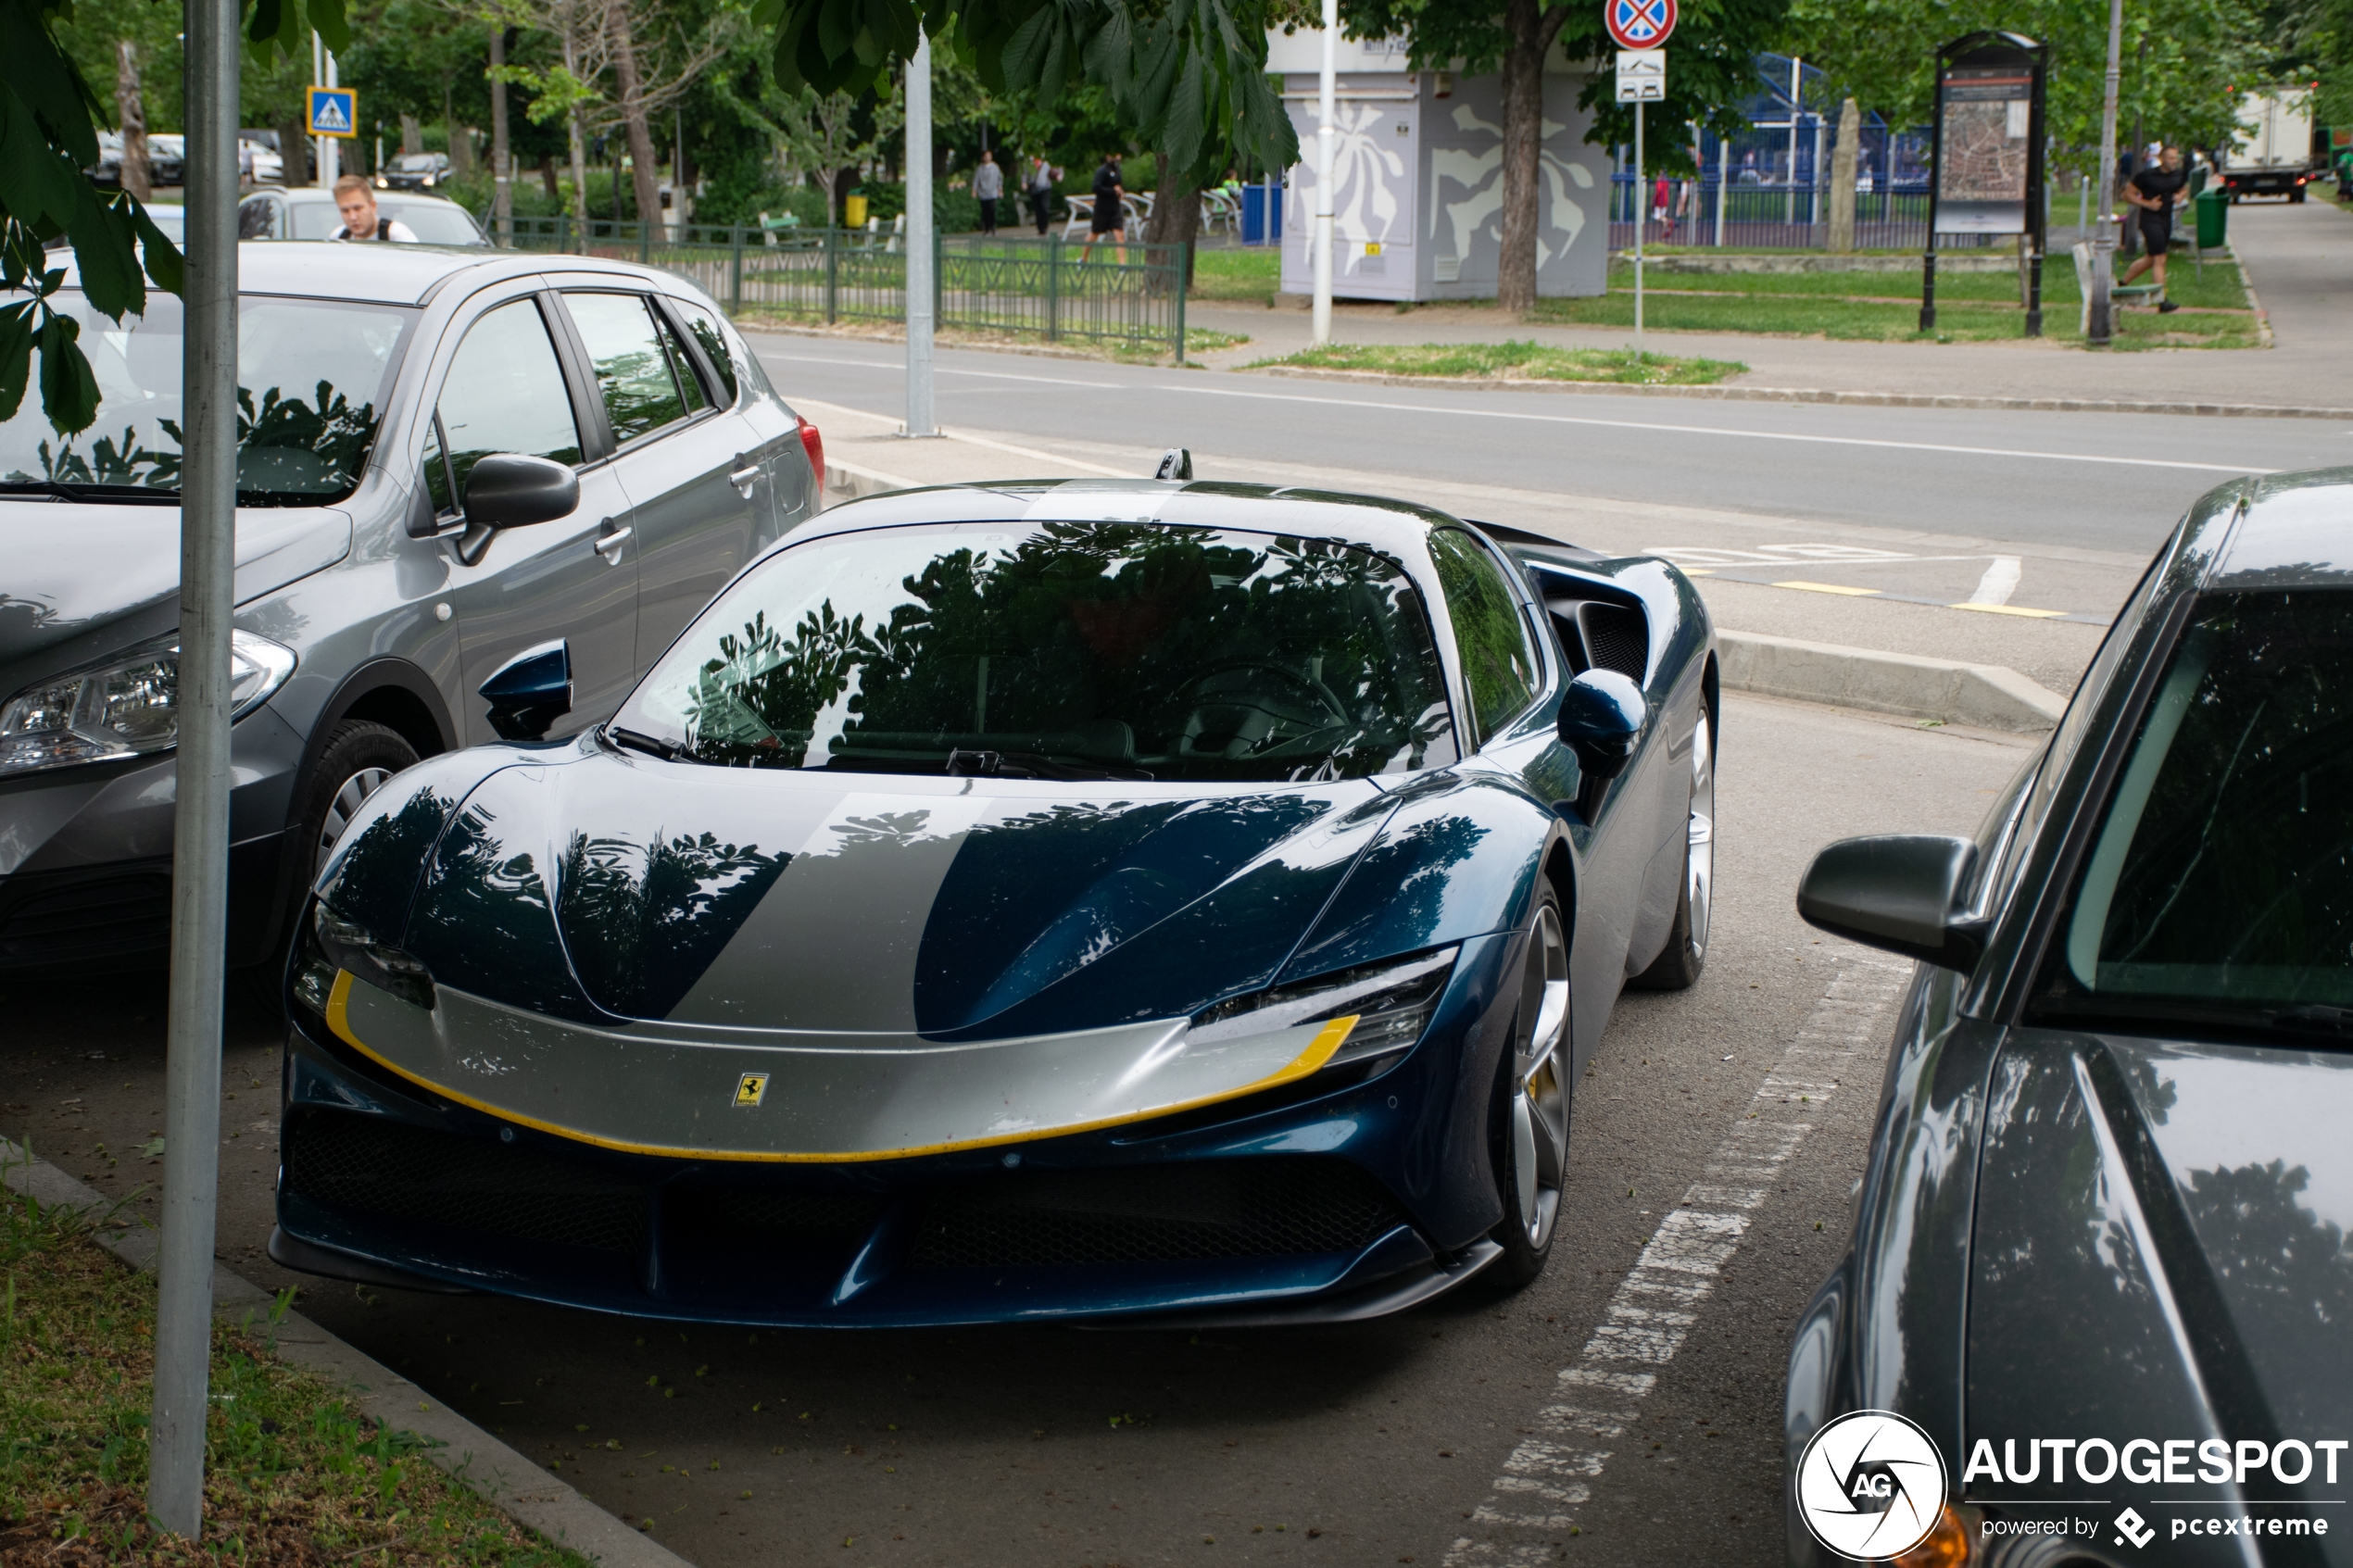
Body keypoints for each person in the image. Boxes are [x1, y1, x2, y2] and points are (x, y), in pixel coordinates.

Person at [2119, 144, 2189, 313]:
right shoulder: (2147, 176)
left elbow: (2183, 188)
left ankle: (2121, 284)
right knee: (2160, 259)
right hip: (2150, 220)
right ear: (2162, 158)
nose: (2174, 161)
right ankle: (2162, 301)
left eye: (2176, 158)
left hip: (2166, 218)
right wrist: (2147, 204)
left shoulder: (2178, 175)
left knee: (2151, 258)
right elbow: (2127, 194)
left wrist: (2180, 195)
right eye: (2171, 158)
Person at [327, 175, 418, 242]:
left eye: (357, 208)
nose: (352, 217)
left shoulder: (396, 235)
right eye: (345, 211)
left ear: (373, 206)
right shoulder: (338, 237)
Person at [1082, 150, 1126, 263]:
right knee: (1094, 234)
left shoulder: (1117, 170)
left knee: (1119, 235)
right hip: (1102, 208)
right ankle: (1083, 259)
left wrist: (1120, 191)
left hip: (1114, 208)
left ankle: (1122, 265)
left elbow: (1117, 185)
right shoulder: (1102, 171)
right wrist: (1112, 191)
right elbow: (1096, 187)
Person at [971, 148, 1002, 235]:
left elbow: (999, 179)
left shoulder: (995, 167)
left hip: (992, 193)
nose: (988, 158)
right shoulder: (979, 169)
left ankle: (993, 228)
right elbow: (976, 181)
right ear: (983, 157)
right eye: (986, 156)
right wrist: (974, 191)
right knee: (985, 212)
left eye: (989, 156)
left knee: (992, 210)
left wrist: (1000, 190)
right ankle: (986, 229)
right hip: (983, 194)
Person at [1026, 155, 1058, 235]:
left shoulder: (1045, 164)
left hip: (1045, 188)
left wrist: (1057, 176)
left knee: (1044, 207)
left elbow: (1051, 173)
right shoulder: (1030, 165)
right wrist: (1024, 182)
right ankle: (1040, 228)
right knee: (1038, 209)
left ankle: (1045, 226)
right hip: (1034, 189)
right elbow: (1025, 174)